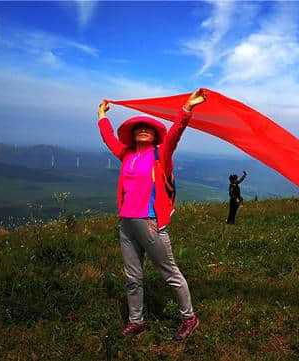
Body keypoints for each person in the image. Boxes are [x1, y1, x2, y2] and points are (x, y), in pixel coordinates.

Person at [97, 89, 206, 341]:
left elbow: (176, 133)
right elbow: (108, 138)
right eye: (138, 128)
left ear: (155, 135)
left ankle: (189, 318)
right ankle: (137, 322)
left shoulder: (161, 155)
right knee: (132, 277)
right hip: (126, 223)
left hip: (150, 223)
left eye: (147, 128)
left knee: (169, 273)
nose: (143, 130)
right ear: (133, 135)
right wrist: (102, 116)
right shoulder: (126, 155)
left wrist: (187, 108)